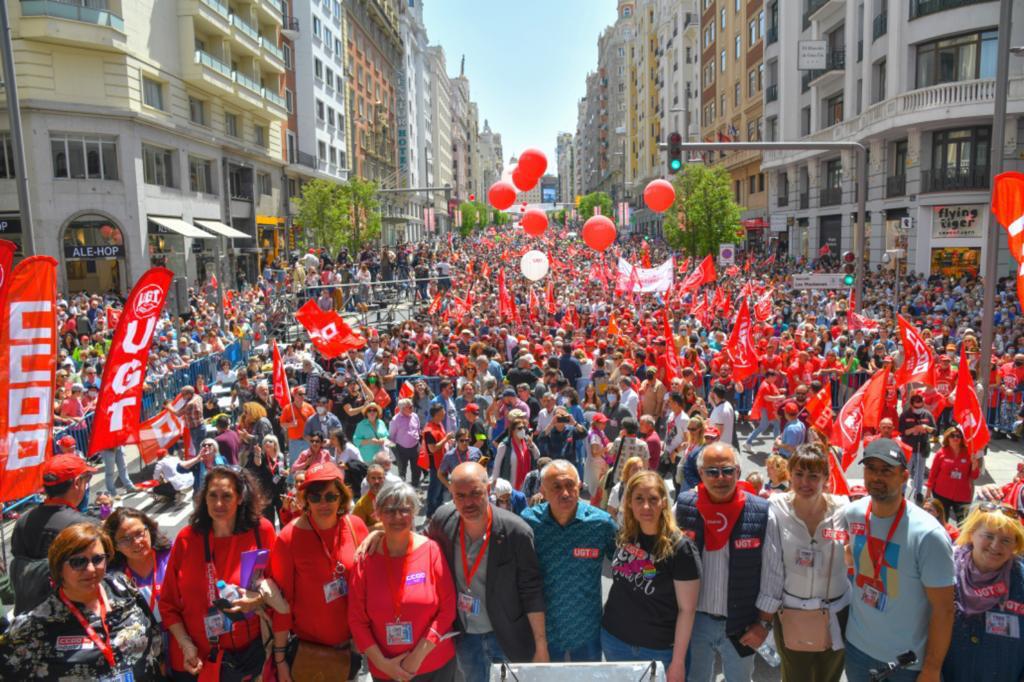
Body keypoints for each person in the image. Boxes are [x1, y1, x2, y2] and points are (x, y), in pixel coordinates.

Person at [842, 438, 955, 682]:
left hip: (906, 662)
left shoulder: (929, 535)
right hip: (857, 650)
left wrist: (932, 668)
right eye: (871, 468)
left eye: (886, 471)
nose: (876, 477)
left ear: (904, 476)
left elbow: (944, 609)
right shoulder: (853, 514)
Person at [426, 462, 549, 680]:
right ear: (451, 494)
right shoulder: (443, 521)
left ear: (488, 490)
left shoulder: (516, 532)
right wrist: (379, 535)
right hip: (464, 637)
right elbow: (419, 548)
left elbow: (531, 591)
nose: (468, 502)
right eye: (460, 495)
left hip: (505, 637)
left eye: (475, 493)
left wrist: (541, 646)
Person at [0, 523, 163, 680]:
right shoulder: (34, 626)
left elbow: (154, 636)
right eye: (78, 562)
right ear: (58, 567)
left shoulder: (121, 586)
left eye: (98, 559)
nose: (91, 569)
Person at [159, 466, 276, 679]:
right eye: (212, 495)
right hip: (197, 659)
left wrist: (259, 599)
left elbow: (280, 588)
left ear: (240, 498)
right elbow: (168, 603)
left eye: (227, 496)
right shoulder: (187, 539)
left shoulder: (262, 531)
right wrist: (185, 644)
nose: (218, 504)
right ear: (204, 498)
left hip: (250, 658)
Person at [674, 442, 772, 682]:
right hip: (695, 621)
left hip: (742, 622)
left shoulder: (762, 512)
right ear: (700, 474)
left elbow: (773, 574)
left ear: (738, 472)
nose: (720, 478)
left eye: (727, 470)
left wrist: (763, 624)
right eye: (712, 472)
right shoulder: (683, 507)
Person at [758, 445, 851, 682]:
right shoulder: (776, 508)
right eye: (799, 474)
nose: (805, 482)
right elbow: (770, 567)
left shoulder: (844, 510)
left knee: (829, 677)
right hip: (792, 614)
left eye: (813, 476)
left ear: (826, 478)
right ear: (789, 474)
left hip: (836, 614)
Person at [269, 462, 368, 682]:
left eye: (331, 496)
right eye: (315, 497)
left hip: (351, 649)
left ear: (341, 497)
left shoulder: (356, 527)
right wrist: (280, 659)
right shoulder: (288, 538)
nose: (323, 503)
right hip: (309, 653)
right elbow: (282, 605)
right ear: (305, 500)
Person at [349, 482, 458, 681]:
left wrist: (416, 657)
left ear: (415, 512)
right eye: (389, 510)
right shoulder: (365, 559)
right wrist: (383, 664)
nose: (398, 516)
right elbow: (357, 619)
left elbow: (448, 609)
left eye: (405, 510)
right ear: (378, 514)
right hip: (386, 670)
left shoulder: (431, 550)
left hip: (434, 665)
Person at [601, 471, 700, 681]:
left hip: (658, 650)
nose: (646, 506)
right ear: (629, 503)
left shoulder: (680, 547)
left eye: (653, 499)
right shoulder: (625, 535)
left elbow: (687, 610)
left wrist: (678, 662)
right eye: (639, 499)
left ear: (663, 502)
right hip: (615, 641)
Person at [521, 460, 617, 662]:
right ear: (543, 491)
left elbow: (625, 567)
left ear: (579, 486)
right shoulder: (528, 523)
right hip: (544, 633)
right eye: (556, 487)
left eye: (570, 485)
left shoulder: (601, 524)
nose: (565, 493)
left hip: (587, 632)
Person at [942, 502, 1024, 682]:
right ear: (971, 534)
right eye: (988, 536)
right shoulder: (944, 569)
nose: (995, 546)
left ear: (1015, 545)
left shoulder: (1021, 580)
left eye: (1006, 540)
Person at [10, 453, 97, 614]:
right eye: (87, 480)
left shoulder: (22, 521)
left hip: (31, 611)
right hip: (72, 613)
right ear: (77, 482)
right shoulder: (84, 526)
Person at [104, 507, 173, 623]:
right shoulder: (112, 576)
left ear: (149, 529)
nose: (136, 542)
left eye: (139, 533)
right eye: (125, 540)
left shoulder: (174, 554)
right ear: (115, 546)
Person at [926, 426, 981, 523]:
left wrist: (974, 465)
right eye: (952, 436)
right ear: (947, 438)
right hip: (941, 493)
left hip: (962, 495)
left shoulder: (969, 453)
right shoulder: (941, 453)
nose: (955, 438)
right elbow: (933, 474)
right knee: (942, 523)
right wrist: (928, 492)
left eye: (958, 436)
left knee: (962, 523)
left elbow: (974, 476)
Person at [897, 391, 936, 503]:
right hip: (908, 448)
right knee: (906, 471)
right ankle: (901, 492)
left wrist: (927, 428)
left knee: (920, 471)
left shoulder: (927, 415)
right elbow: (901, 432)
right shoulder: (905, 415)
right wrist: (914, 429)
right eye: (916, 407)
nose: (918, 409)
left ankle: (918, 492)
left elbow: (934, 431)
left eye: (920, 406)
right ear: (911, 404)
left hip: (922, 447)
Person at [490, 411, 539, 492]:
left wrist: (531, 445)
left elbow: (537, 455)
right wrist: (494, 485)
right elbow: (497, 467)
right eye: (519, 428)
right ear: (513, 431)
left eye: (523, 428)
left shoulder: (527, 442)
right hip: (510, 488)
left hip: (526, 487)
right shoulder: (505, 446)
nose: (522, 430)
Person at [389, 398, 423, 486]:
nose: (412, 408)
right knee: (402, 470)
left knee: (417, 469)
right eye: (410, 407)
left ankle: (415, 486)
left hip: (415, 446)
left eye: (412, 406)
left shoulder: (415, 416)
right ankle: (402, 488)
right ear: (403, 408)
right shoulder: (395, 419)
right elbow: (392, 436)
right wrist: (394, 453)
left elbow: (418, 429)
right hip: (401, 448)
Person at [605, 456, 645, 522]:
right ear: (627, 471)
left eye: (640, 468)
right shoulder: (618, 489)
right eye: (634, 469)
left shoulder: (646, 487)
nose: (638, 471)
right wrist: (619, 525)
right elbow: (611, 510)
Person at [354, 464, 386, 529]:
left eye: (380, 478)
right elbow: (357, 530)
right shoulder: (361, 504)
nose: (377, 481)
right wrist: (377, 527)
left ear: (384, 479)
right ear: (368, 479)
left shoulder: (391, 498)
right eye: (373, 478)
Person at [707, 384, 736, 448]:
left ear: (714, 394)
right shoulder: (728, 404)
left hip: (719, 448)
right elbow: (717, 408)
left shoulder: (719, 412)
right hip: (726, 445)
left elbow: (718, 434)